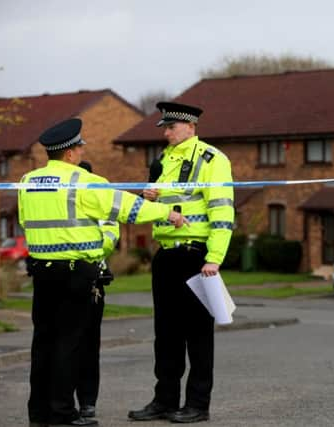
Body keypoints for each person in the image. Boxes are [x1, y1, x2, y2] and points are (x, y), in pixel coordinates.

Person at [20, 118, 188, 427]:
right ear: (70, 153)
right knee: (70, 343)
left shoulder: (28, 180)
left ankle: (39, 412)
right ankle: (62, 413)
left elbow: (24, 222)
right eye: (80, 146)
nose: (83, 151)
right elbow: (127, 208)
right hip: (76, 273)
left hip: (42, 273)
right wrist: (167, 212)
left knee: (43, 342)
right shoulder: (84, 182)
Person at [128, 102, 234, 423]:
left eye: (171, 127)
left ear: (190, 127)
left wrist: (214, 258)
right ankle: (165, 400)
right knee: (167, 333)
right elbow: (163, 206)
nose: (167, 132)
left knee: (198, 335)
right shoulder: (161, 162)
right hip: (167, 256)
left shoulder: (212, 159)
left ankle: (198, 405)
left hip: (196, 256)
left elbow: (222, 210)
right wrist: (151, 200)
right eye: (165, 127)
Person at [74, 161, 114, 420]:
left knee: (88, 344)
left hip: (91, 280)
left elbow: (110, 233)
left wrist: (97, 257)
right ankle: (65, 402)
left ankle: (87, 402)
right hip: (66, 276)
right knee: (69, 344)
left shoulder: (100, 197)